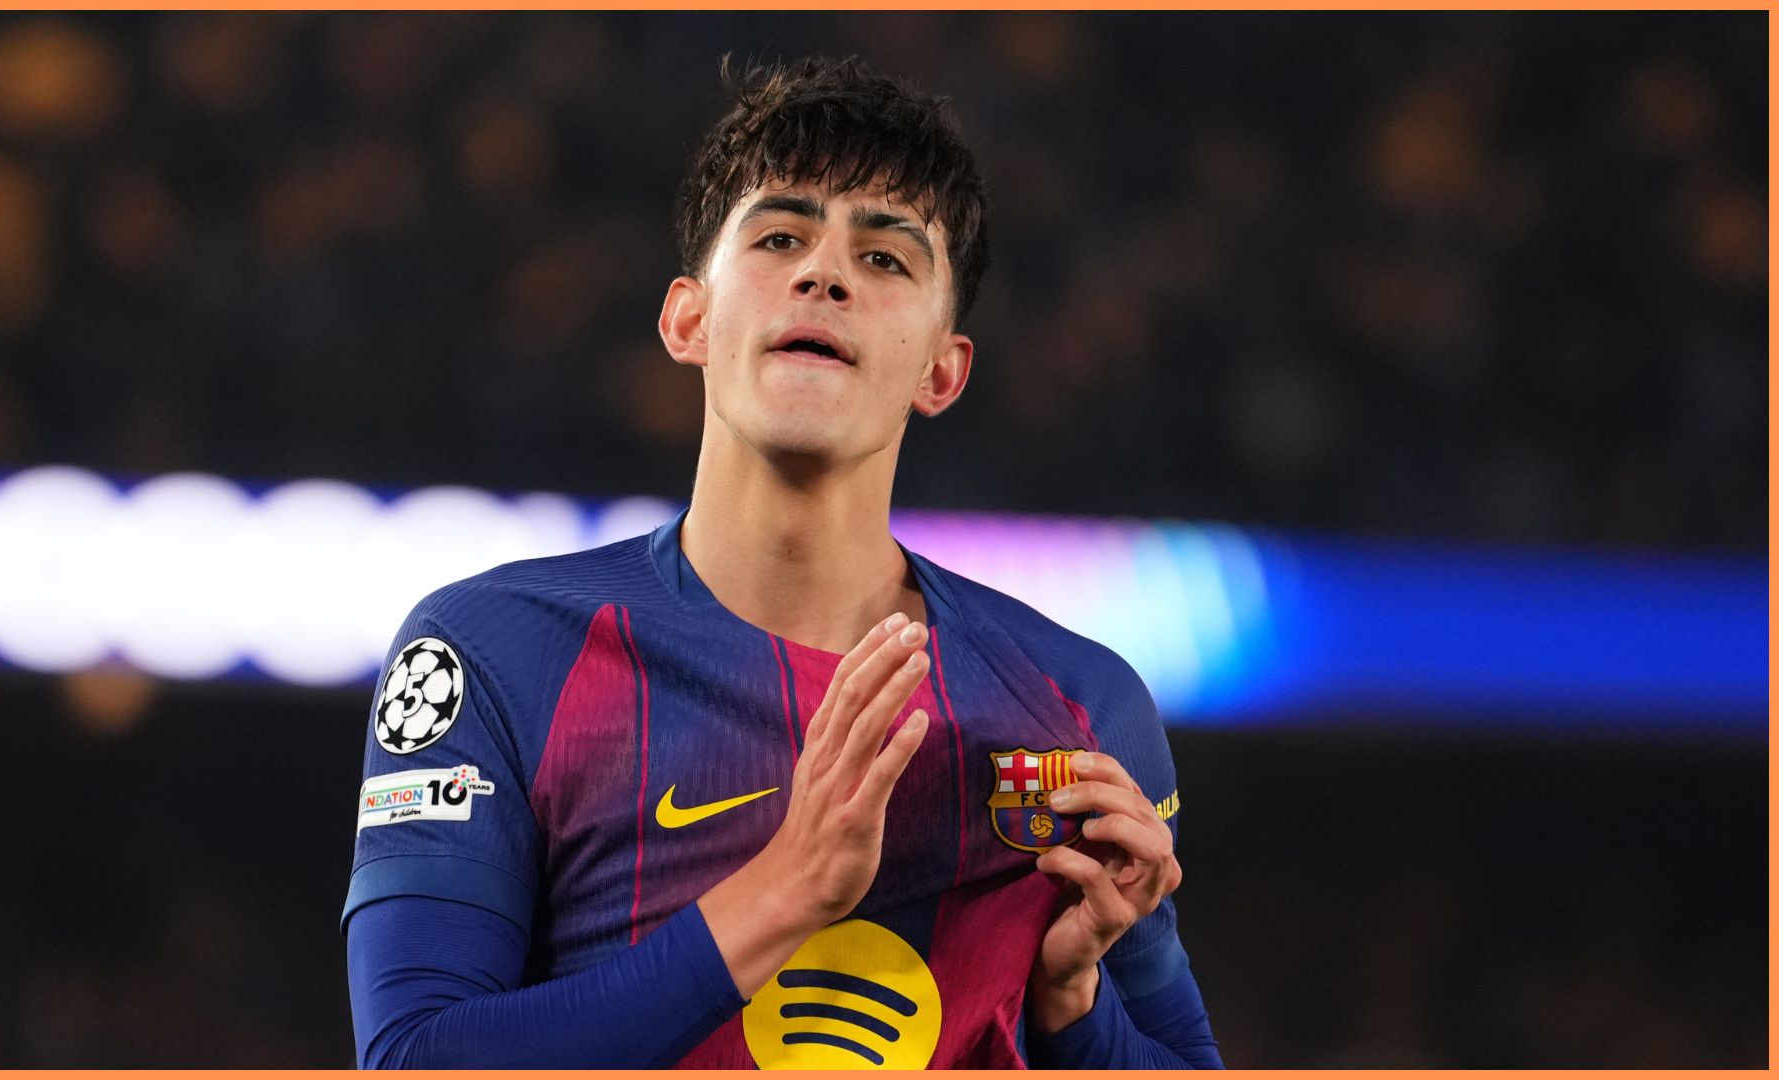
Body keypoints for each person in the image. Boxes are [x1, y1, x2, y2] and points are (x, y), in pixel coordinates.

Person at [344, 54, 1222, 1069]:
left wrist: (1073, 999)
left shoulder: (1081, 705)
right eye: (778, 237)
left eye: (887, 259)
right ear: (689, 320)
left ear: (943, 370)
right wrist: (790, 889)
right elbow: (414, 1058)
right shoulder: (489, 653)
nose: (825, 271)